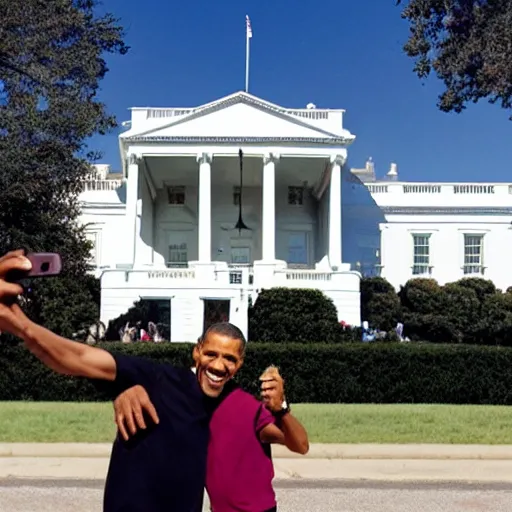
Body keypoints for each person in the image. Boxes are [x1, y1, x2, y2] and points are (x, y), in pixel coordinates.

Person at [0, 250, 308, 512]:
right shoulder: (157, 378)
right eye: (211, 354)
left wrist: (281, 406)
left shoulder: (236, 404)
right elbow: (77, 358)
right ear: (196, 352)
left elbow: (294, 442)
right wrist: (20, 326)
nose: (219, 365)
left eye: (229, 359)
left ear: (239, 365)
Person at [114, 363, 308, 512]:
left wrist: (282, 410)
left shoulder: (246, 407)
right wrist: (123, 392)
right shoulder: (192, 408)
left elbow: (300, 445)